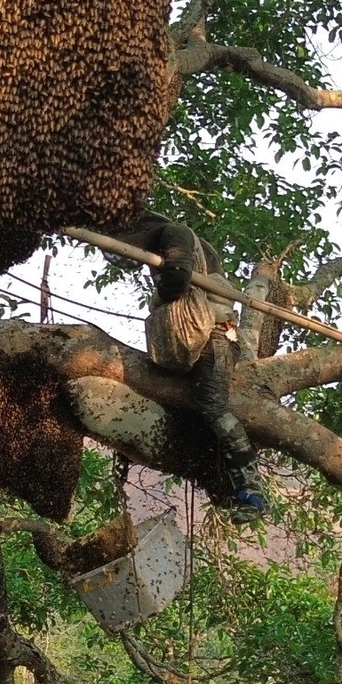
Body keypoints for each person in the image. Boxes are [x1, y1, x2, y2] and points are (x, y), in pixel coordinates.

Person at [109, 213, 269, 523]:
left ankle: (252, 490)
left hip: (214, 339)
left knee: (213, 406)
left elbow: (177, 279)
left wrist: (155, 302)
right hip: (194, 343)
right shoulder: (185, 241)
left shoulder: (175, 232)